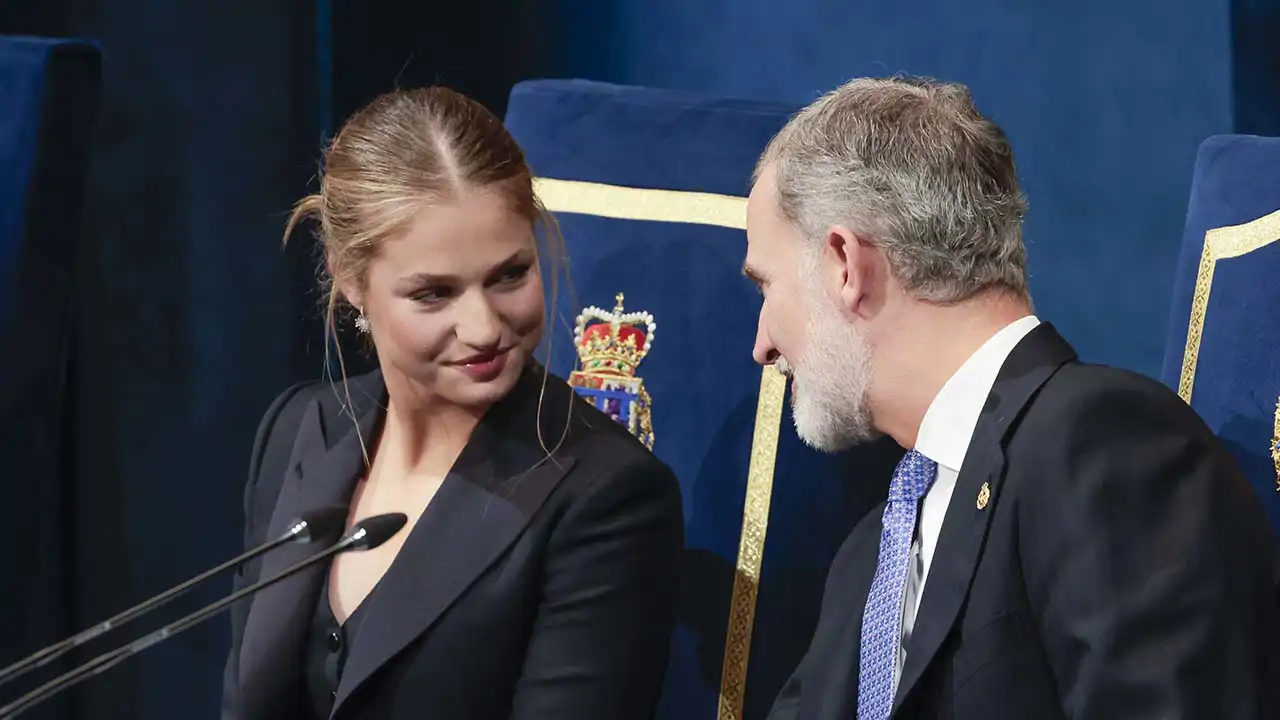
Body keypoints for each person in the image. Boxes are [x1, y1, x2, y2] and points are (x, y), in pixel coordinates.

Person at [743, 76, 1280, 719]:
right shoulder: (873, 550)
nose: (761, 345)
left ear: (844, 264)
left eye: (766, 286)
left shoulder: (1101, 443)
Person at [220, 86, 684, 720]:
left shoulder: (607, 498)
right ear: (352, 280)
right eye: (434, 294)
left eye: (510, 275)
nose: (484, 327)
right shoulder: (300, 429)